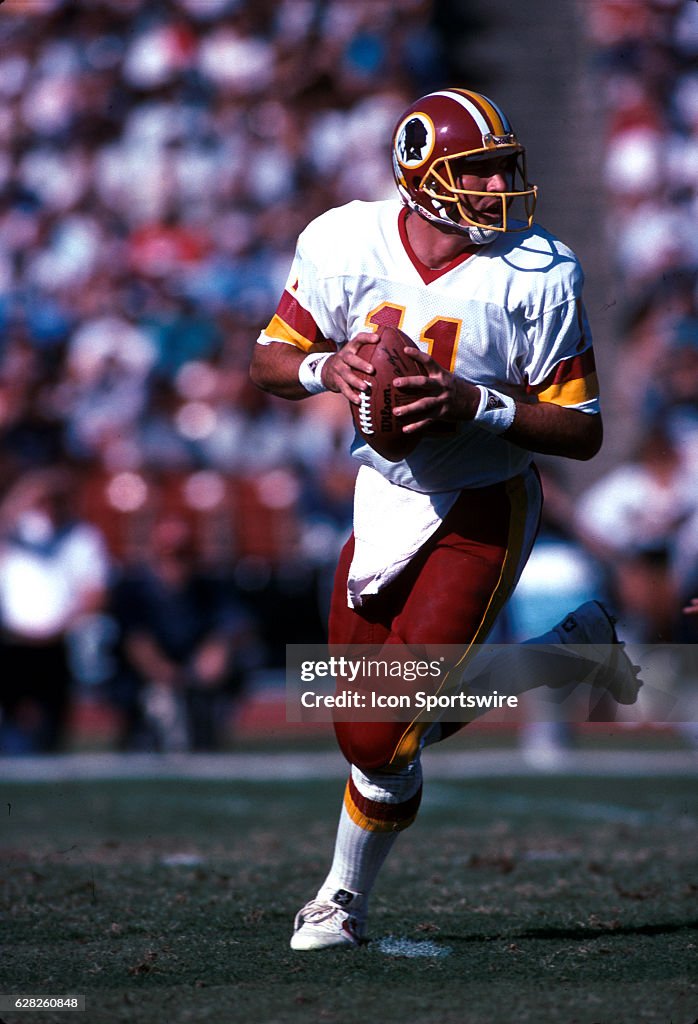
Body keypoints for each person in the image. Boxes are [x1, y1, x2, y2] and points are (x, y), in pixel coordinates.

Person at [249, 87, 637, 950]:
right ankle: (559, 660)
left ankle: (338, 903)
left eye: (506, 166)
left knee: (375, 727)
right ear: (419, 177)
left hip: (481, 502)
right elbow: (268, 360)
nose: (501, 185)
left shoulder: (542, 270)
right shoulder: (342, 238)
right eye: (480, 170)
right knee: (359, 722)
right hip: (383, 492)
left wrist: (478, 405)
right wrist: (326, 368)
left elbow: (581, 430)